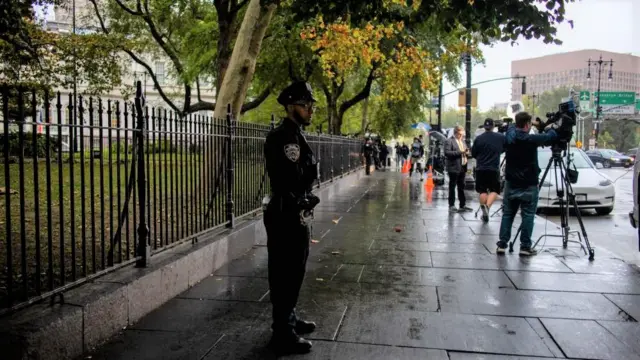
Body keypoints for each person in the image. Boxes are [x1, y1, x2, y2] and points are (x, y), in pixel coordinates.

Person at [263, 81, 320, 355]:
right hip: (286, 212)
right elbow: (288, 178)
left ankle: (290, 318)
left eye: (311, 105)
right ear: (291, 107)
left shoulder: (296, 134)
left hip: (295, 210)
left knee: (295, 270)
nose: (311, 110)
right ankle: (282, 332)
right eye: (306, 105)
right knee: (285, 272)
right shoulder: (283, 137)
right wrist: (302, 198)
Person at [497, 112, 558, 256]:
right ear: (527, 124)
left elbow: (512, 128)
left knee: (508, 214)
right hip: (529, 183)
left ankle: (502, 244)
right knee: (528, 215)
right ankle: (525, 247)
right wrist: (547, 126)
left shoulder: (509, 138)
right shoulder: (532, 139)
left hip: (511, 182)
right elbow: (552, 136)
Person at [472, 119, 505, 222]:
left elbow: (473, 153)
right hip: (493, 168)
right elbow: (505, 148)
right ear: (493, 126)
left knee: (482, 191)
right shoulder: (500, 137)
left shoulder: (478, 139)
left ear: (484, 127)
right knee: (494, 190)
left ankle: (484, 211)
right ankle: (487, 207)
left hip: (481, 168)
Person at [445, 126, 472, 213]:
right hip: (453, 167)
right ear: (456, 133)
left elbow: (466, 152)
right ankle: (451, 205)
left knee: (461, 186)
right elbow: (447, 153)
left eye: (462, 134)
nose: (462, 136)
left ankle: (462, 205)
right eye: (460, 134)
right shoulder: (449, 141)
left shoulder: (462, 141)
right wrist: (461, 152)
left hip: (462, 167)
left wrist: (467, 153)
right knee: (452, 186)